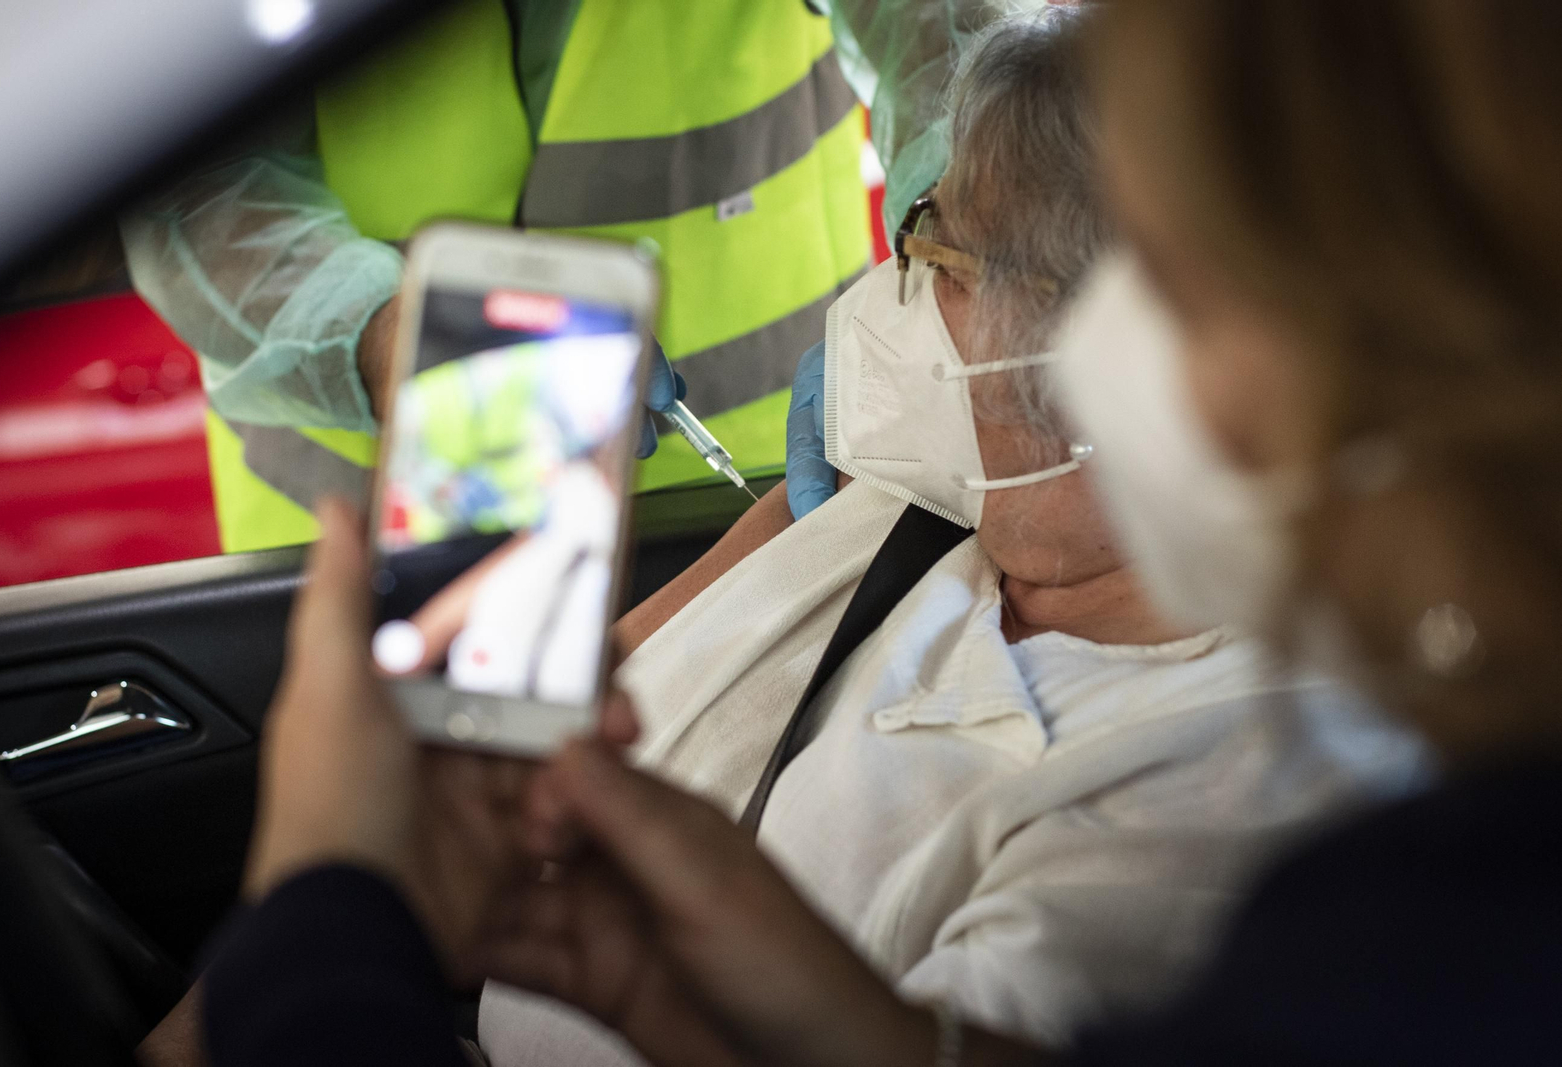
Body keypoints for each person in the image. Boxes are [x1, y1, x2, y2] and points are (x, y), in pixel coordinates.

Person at [195, 2, 1560, 1067]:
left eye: (938, 255)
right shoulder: (911, 509)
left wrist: (319, 915)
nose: (891, 282)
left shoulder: (1362, 878)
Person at [486, 12, 1424, 1065]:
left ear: (1100, 356)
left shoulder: (1220, 777)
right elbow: (541, 714)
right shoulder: (925, 492)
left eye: (934, 248)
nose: (893, 291)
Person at [117, 0, 1022, 557]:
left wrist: (962, 245)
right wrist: (384, 333)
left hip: (754, 508)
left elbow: (956, 32)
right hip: (362, 554)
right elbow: (175, 182)